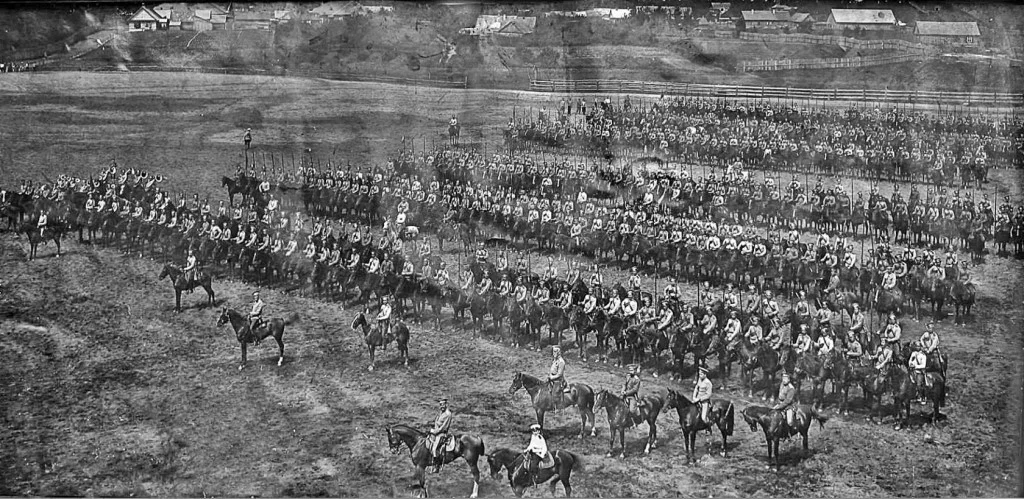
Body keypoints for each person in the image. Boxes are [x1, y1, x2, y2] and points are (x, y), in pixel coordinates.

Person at [428, 396, 453, 473]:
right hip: (436, 432)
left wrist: (435, 431)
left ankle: (436, 466)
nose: (441, 406)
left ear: (446, 404)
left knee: (434, 449)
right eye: (440, 404)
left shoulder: (448, 414)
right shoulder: (441, 412)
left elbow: (443, 427)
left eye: (443, 404)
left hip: (441, 434)